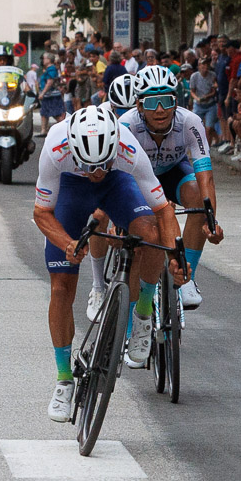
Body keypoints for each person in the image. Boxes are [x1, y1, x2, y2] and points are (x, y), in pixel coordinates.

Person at [32, 106, 186, 421]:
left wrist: (176, 256)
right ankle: (63, 379)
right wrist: (68, 244)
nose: (96, 173)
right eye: (89, 166)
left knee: (150, 233)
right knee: (61, 287)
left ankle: (143, 313)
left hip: (120, 185)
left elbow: (165, 211)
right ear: (72, 150)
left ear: (113, 147)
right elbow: (41, 212)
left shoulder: (128, 148)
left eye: (102, 164)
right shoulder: (55, 148)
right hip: (71, 191)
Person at [93, 64, 224, 318]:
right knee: (145, 235)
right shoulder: (126, 125)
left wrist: (210, 220)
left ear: (176, 101)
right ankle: (130, 313)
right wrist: (116, 218)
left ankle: (187, 278)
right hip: (135, 179)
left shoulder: (190, 122)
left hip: (173, 173)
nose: (161, 109)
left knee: (197, 193)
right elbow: (113, 177)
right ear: (139, 105)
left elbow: (205, 176)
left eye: (166, 100)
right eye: (152, 102)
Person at [37, 52, 65, 135]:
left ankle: (64, 129)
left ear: (49, 60)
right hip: (47, 95)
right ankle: (43, 130)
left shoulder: (52, 69)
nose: (43, 60)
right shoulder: (48, 69)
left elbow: (50, 82)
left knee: (56, 114)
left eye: (44, 58)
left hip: (52, 95)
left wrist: (42, 93)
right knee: (44, 113)